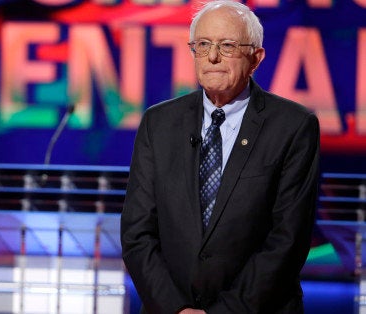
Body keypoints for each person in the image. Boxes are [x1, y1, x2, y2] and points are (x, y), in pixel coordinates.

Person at [120, 1, 320, 313]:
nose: (212, 57)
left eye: (227, 45)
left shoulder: (293, 126)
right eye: (202, 45)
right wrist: (176, 308)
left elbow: (288, 241)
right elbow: (137, 233)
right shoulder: (158, 123)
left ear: (255, 58)